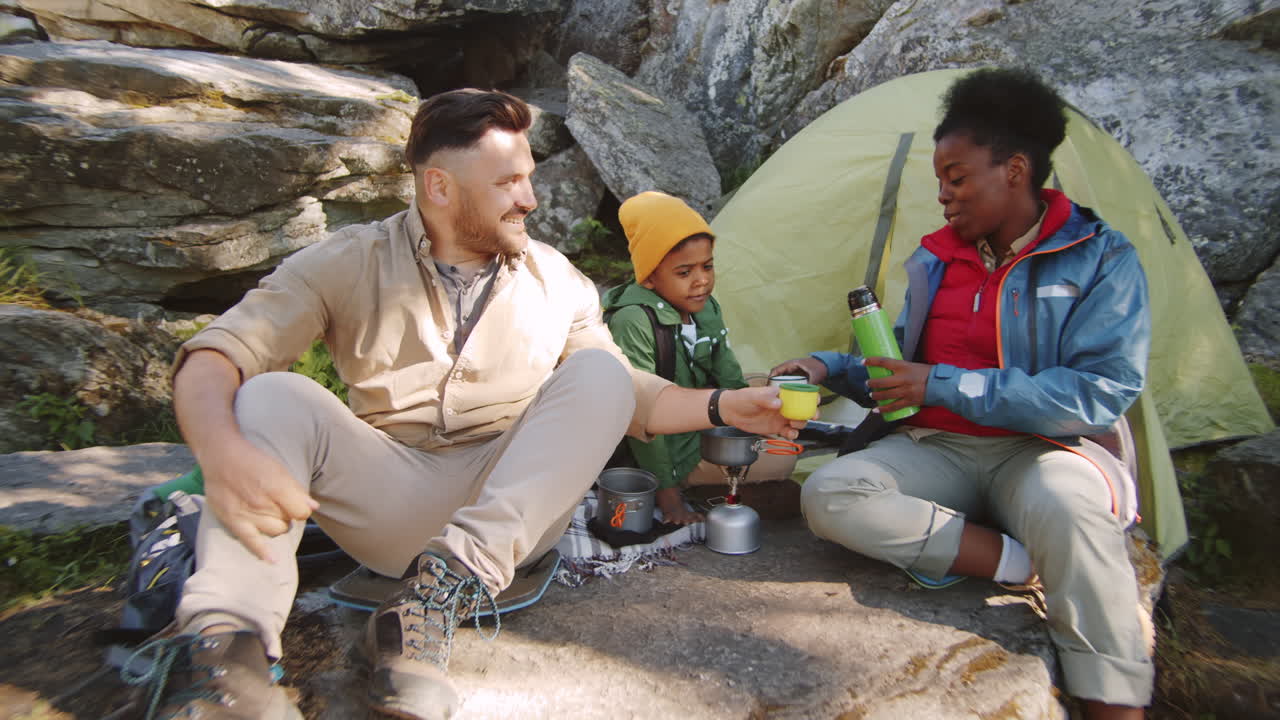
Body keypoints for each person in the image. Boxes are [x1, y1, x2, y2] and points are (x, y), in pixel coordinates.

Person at [138, 89, 803, 720]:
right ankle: (229, 656)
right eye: (508, 182)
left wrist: (723, 405)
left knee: (601, 371)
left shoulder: (557, 280)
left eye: (529, 177)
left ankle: (430, 604)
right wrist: (223, 455)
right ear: (439, 187)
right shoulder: (347, 261)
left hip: (511, 512)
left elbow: (632, 399)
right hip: (388, 499)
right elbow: (214, 357)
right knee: (268, 396)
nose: (531, 199)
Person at [771, 68, 1153, 719]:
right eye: (939, 181)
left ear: (1016, 169)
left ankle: (1113, 704)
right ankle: (1018, 563)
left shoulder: (1099, 258)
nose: (944, 196)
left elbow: (1098, 393)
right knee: (830, 493)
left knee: (1071, 511)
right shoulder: (937, 262)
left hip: (1043, 450)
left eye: (958, 176)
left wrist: (944, 384)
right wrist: (824, 366)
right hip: (938, 446)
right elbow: (896, 367)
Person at [601, 191, 798, 525]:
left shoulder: (704, 306)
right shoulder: (633, 320)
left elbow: (730, 378)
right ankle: (689, 486)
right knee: (780, 462)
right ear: (649, 277)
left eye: (707, 266)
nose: (702, 280)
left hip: (702, 416)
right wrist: (670, 499)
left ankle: (729, 481)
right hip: (662, 442)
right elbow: (640, 417)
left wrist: (752, 416)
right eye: (684, 272)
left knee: (769, 389)